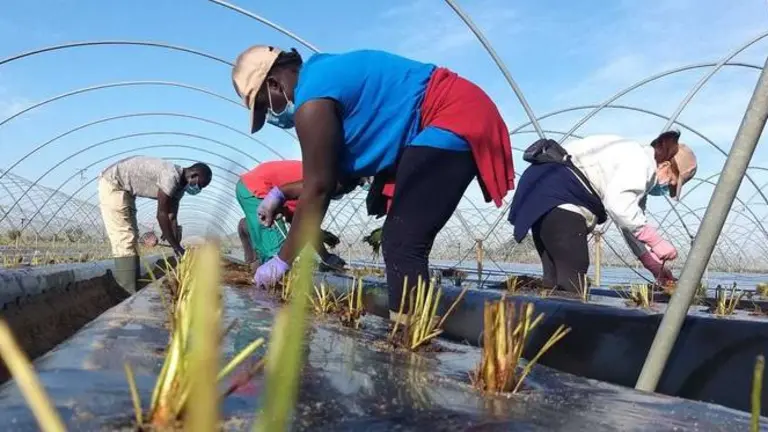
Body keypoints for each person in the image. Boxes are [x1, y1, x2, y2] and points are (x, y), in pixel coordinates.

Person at [230, 45, 514, 322]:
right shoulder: (323, 77)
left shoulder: (312, 101)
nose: (271, 116)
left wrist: (281, 262)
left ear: (274, 83)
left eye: (266, 106)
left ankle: (411, 341)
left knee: (402, 241)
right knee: (401, 239)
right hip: (441, 118)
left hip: (450, 113)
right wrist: (281, 193)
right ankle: (410, 331)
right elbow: (338, 181)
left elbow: (319, 189)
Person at [507, 131, 697, 292]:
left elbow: (630, 224)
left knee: (554, 280)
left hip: (540, 194)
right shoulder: (641, 162)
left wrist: (652, 265)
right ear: (664, 165)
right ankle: (568, 331)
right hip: (560, 196)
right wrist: (656, 240)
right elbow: (619, 206)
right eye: (671, 181)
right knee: (573, 282)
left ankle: (543, 331)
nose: (666, 188)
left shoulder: (635, 172)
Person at [98, 156, 212, 294]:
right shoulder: (170, 176)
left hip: (127, 192)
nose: (198, 189)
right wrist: (177, 248)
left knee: (132, 237)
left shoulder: (179, 189)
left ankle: (133, 287)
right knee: (124, 238)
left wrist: (177, 245)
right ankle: (126, 293)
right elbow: (161, 214)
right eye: (199, 185)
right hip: (114, 184)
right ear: (193, 175)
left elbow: (172, 217)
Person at [235, 160, 350, 272]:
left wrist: (324, 251)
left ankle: (248, 227)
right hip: (256, 187)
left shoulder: (320, 175)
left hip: (249, 186)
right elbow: (304, 225)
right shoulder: (318, 185)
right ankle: (268, 285)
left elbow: (299, 223)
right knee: (277, 254)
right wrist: (326, 255)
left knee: (270, 249)